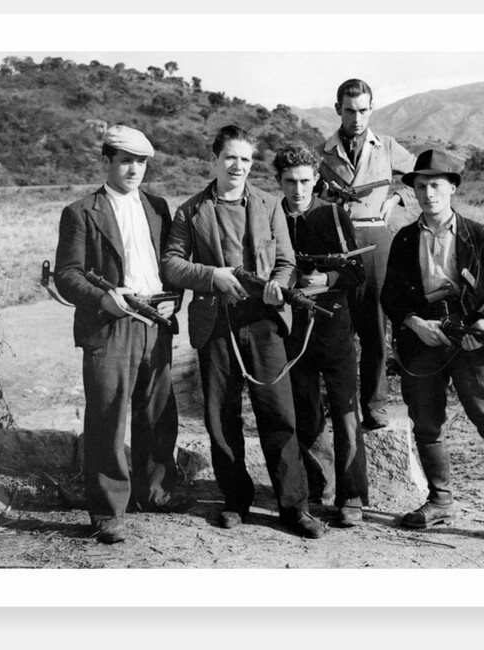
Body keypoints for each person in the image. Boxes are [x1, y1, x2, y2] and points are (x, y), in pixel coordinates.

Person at [161, 125, 324, 539]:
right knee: (221, 416)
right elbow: (172, 265)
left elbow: (285, 261)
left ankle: (294, 505)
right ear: (214, 160)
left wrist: (277, 286)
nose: (238, 166)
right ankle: (236, 500)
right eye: (230, 157)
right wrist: (212, 275)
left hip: (264, 322)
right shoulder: (190, 210)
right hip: (216, 323)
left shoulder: (269, 205)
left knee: (278, 413)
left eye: (246, 159)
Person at [380, 149, 484, 543]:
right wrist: (415, 323)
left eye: (436, 185)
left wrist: (482, 322)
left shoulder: (478, 236)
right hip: (425, 342)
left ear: (452, 188)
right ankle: (439, 501)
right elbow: (390, 297)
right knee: (427, 424)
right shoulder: (403, 239)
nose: (428, 193)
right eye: (420, 186)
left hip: (472, 342)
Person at [54, 125, 194, 544]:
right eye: (126, 161)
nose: (135, 169)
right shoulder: (80, 212)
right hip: (110, 326)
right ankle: (107, 511)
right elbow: (67, 275)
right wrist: (103, 300)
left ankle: (154, 493)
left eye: (142, 162)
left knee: (158, 412)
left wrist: (174, 298)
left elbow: (170, 264)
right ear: (106, 162)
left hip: (157, 321)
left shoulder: (157, 206)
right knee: (108, 416)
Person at [272, 142, 369, 527]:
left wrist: (326, 278)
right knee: (304, 413)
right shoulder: (270, 216)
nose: (298, 190)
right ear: (279, 181)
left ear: (317, 179)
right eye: (290, 181)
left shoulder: (332, 214)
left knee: (346, 414)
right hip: (292, 333)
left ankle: (353, 497)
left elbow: (357, 273)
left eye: (306, 181)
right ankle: (315, 487)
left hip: (334, 330)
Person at [317, 78, 417, 430]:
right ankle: (339, 403)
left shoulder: (387, 146)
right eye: (349, 110)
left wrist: (397, 199)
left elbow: (422, 175)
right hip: (337, 243)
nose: (356, 118)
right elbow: (307, 194)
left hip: (377, 240)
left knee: (376, 326)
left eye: (363, 110)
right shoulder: (323, 152)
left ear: (372, 109)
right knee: (337, 326)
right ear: (338, 110)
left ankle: (375, 405)